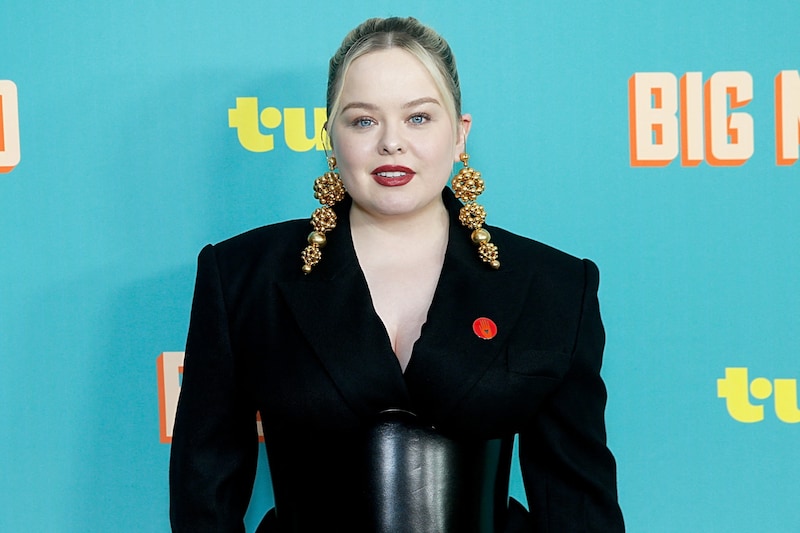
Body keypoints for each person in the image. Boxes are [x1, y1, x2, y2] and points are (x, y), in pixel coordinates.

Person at [170, 16, 625, 533]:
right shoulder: (242, 277)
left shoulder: (553, 285)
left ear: (460, 134)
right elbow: (203, 495)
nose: (391, 143)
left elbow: (579, 507)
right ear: (329, 137)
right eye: (363, 120)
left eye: (419, 118)